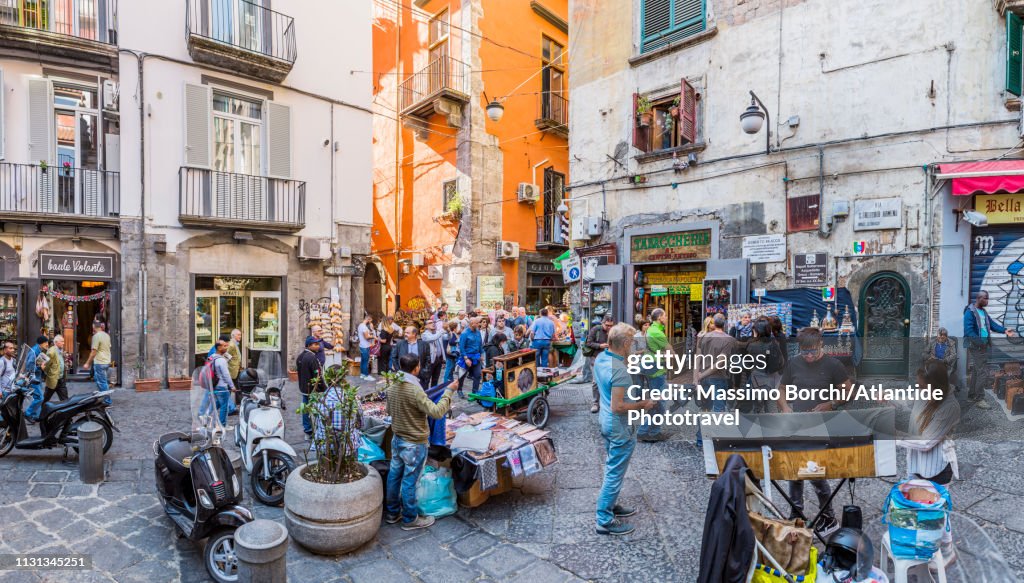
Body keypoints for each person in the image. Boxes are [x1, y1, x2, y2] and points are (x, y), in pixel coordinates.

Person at [777, 327, 850, 536]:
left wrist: (831, 404)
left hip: (822, 426)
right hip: (798, 424)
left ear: (821, 346)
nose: (808, 356)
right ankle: (796, 513)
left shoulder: (833, 365)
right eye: (804, 352)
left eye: (813, 352)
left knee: (816, 471)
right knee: (794, 472)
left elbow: (848, 391)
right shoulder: (794, 363)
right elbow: (781, 390)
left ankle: (828, 515)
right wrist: (784, 407)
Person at [594, 323, 656, 536]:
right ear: (626, 343)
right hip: (620, 426)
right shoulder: (619, 371)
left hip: (606, 422)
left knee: (612, 467)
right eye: (632, 342)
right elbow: (618, 406)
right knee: (614, 472)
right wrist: (643, 404)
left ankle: (610, 505)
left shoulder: (602, 359)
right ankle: (603, 519)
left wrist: (627, 358)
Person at [897, 359, 960, 564]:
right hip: (917, 465)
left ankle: (948, 550)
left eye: (923, 387)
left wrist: (893, 437)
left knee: (937, 513)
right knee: (916, 507)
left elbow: (926, 443)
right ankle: (924, 547)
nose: (919, 390)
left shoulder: (950, 407)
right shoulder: (925, 393)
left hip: (937, 468)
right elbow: (909, 403)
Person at [385, 353, 456, 530]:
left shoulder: (392, 385)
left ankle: (392, 513)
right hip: (414, 442)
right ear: (416, 368)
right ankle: (410, 519)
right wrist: (448, 392)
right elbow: (437, 412)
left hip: (398, 438)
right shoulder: (414, 389)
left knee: (394, 476)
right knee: (410, 480)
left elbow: (388, 410)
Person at [963, 290, 1015, 409]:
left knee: (977, 371)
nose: (987, 301)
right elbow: (969, 331)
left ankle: (971, 395)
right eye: (986, 298)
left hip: (983, 345)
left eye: (988, 298)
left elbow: (992, 325)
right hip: (977, 346)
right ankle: (979, 398)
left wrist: (1005, 330)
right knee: (982, 372)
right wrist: (981, 343)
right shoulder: (970, 312)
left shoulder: (983, 312)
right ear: (979, 298)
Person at [693, 314, 737, 447]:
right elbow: (720, 363)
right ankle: (716, 442)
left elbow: (698, 356)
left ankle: (701, 440)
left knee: (705, 408)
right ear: (725, 324)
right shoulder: (729, 340)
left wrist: (697, 377)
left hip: (705, 378)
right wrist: (700, 376)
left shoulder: (704, 336)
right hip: (717, 378)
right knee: (718, 409)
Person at [638, 308, 669, 442]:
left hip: (651, 367)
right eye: (665, 315)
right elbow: (669, 349)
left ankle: (649, 431)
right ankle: (647, 431)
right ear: (659, 318)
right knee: (659, 402)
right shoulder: (656, 331)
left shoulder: (652, 329)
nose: (667, 317)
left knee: (656, 401)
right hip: (656, 370)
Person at [743, 320, 784, 413]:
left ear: (757, 331)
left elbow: (747, 364)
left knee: (756, 407)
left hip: (755, 379)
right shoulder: (774, 344)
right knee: (770, 406)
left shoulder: (751, 345)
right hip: (771, 378)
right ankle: (771, 426)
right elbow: (781, 362)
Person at [296, 336, 325, 438]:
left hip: (304, 388)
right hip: (312, 389)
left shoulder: (300, 356)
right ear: (309, 345)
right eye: (316, 344)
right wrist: (324, 388)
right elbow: (317, 376)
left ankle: (307, 430)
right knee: (317, 409)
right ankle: (314, 430)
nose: (318, 346)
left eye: (318, 344)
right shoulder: (312, 357)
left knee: (306, 408)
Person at [585, 315, 615, 413]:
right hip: (596, 358)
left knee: (609, 380)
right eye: (607, 325)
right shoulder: (595, 330)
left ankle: (608, 402)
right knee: (596, 381)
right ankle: (595, 403)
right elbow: (588, 343)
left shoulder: (614, 331)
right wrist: (599, 345)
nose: (609, 328)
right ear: (602, 323)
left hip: (609, 358)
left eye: (611, 325)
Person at [207, 337, 235, 427]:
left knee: (218, 403)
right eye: (224, 346)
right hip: (222, 386)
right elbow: (226, 375)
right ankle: (223, 425)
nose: (226, 347)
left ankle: (206, 416)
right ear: (219, 348)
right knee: (224, 407)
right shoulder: (221, 360)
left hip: (214, 384)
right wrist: (232, 386)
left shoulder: (212, 357)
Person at [82, 321, 112, 402]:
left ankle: (107, 401)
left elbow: (94, 352)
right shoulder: (106, 335)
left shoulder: (96, 336)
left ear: (94, 327)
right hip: (106, 361)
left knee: (102, 382)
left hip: (100, 362)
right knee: (100, 380)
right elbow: (108, 347)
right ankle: (102, 396)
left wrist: (87, 363)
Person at [23, 336, 50, 424]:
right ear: (41, 343)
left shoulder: (38, 350)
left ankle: (35, 416)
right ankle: (28, 413)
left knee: (38, 397)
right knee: (39, 398)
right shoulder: (34, 352)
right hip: (33, 379)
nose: (47, 344)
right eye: (46, 343)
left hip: (37, 378)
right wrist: (40, 367)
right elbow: (29, 367)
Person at [457, 316, 484, 398]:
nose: (478, 324)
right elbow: (461, 347)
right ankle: (459, 390)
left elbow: (480, 344)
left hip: (476, 357)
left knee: (478, 374)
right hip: (467, 357)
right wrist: (466, 359)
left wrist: (481, 354)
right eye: (477, 323)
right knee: (462, 375)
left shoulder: (478, 332)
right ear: (472, 324)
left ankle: (475, 391)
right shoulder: (465, 333)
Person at [421, 319, 447, 388]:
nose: (433, 324)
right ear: (426, 326)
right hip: (430, 360)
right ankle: (425, 394)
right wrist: (442, 329)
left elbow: (447, 338)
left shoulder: (437, 333)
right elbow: (432, 338)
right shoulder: (424, 335)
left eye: (433, 322)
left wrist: (449, 331)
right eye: (430, 323)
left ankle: (433, 395)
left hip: (439, 359)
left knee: (435, 379)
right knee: (427, 380)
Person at [43, 334, 68, 404]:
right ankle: (39, 412)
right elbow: (46, 366)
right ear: (56, 342)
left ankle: (67, 414)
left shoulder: (60, 350)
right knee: (45, 399)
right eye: (62, 341)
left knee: (65, 399)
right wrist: (50, 374)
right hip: (53, 379)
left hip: (61, 380)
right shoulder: (51, 352)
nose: (63, 343)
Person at [356, 315, 377, 382]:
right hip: (365, 346)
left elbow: (365, 334)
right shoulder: (364, 326)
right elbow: (366, 337)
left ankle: (362, 374)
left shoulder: (361, 325)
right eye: (370, 321)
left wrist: (370, 333)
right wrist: (373, 337)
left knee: (363, 361)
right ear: (368, 319)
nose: (370, 323)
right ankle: (366, 375)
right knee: (365, 361)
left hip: (362, 345)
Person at [227, 329, 243, 406]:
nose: (240, 336)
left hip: (235, 369)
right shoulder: (231, 345)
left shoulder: (235, 343)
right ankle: (228, 405)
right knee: (231, 387)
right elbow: (225, 355)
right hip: (231, 370)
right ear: (233, 335)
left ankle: (239, 401)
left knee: (237, 386)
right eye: (238, 335)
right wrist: (231, 364)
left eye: (240, 334)